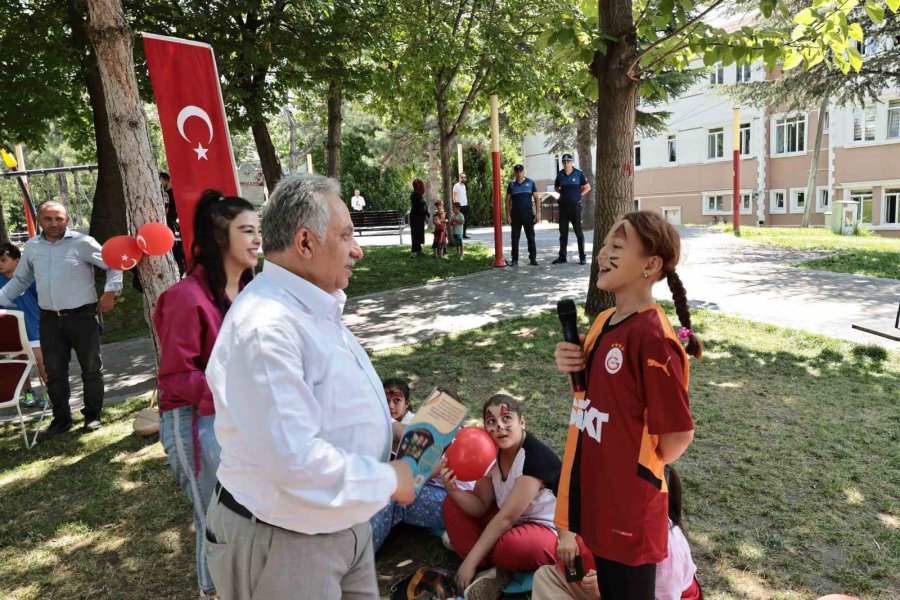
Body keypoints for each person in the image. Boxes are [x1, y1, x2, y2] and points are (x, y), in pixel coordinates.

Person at [204, 174, 415, 600]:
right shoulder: (266, 328)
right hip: (285, 541)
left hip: (339, 527)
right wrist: (389, 480)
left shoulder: (312, 306)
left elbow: (329, 404)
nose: (357, 250)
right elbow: (294, 461)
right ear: (304, 243)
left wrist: (389, 433)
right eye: (346, 235)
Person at [554, 210, 700, 599]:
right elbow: (597, 396)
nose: (602, 254)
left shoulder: (652, 337)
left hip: (630, 508)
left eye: (617, 246)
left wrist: (640, 466)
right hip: (599, 495)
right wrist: (571, 362)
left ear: (650, 265)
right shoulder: (604, 321)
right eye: (604, 245)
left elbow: (677, 436)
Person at [152, 191, 260, 599]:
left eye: (258, 231)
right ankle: (212, 591)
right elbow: (178, 379)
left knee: (243, 512)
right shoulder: (185, 298)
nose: (256, 240)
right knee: (216, 516)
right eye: (246, 231)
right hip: (195, 421)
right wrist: (234, 389)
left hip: (237, 417)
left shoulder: (250, 292)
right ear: (219, 238)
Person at [0, 201, 122, 436]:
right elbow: (21, 280)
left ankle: (93, 416)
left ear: (66, 220)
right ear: (40, 221)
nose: (54, 223)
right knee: (54, 371)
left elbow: (113, 263)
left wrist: (110, 292)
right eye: (48, 219)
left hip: (83, 316)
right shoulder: (32, 247)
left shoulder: (83, 242)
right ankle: (61, 419)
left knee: (92, 368)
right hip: (49, 320)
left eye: (59, 218)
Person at [442, 394, 563, 598]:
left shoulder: (535, 457)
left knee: (513, 547)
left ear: (522, 422)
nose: (499, 426)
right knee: (451, 504)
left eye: (507, 418)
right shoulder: (489, 451)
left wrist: (469, 562)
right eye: (491, 421)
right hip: (508, 522)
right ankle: (490, 567)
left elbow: (505, 519)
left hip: (545, 529)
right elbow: (480, 505)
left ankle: (487, 564)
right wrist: (453, 490)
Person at [532, 467, 701, 600]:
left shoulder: (668, 547)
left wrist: (604, 592)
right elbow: (571, 498)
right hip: (613, 588)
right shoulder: (615, 514)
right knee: (547, 577)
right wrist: (566, 536)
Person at [370, 379, 448, 553]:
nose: (390, 406)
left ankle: (361, 552)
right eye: (385, 400)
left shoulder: (413, 424)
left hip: (438, 491)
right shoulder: (377, 424)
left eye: (396, 400)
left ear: (407, 404)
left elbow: (430, 466)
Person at [0, 242, 46, 407]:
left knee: (42, 362)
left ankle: (50, 394)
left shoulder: (30, 279)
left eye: (3, 260)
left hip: (34, 330)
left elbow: (42, 302)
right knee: (20, 363)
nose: (0, 263)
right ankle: (28, 393)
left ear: (17, 261)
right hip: (13, 334)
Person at [553, 153, 591, 265]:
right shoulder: (560, 175)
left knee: (578, 232)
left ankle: (582, 257)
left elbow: (588, 187)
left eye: (568, 162)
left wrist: (578, 195)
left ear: (572, 162)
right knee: (563, 233)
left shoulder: (579, 174)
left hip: (575, 207)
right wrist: (565, 194)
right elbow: (556, 188)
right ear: (562, 163)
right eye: (564, 162)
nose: (566, 164)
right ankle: (562, 257)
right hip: (563, 207)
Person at [505, 164, 541, 267]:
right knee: (515, 238)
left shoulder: (530, 183)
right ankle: (514, 259)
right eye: (517, 172)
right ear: (515, 173)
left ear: (524, 172)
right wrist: (508, 215)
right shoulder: (511, 184)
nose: (519, 173)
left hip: (528, 215)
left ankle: (533, 259)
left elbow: (536, 198)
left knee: (531, 237)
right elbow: (507, 200)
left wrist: (538, 213)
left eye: (520, 171)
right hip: (515, 216)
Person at [160, 172, 187, 276]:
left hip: (173, 225)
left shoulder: (171, 193)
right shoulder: (166, 193)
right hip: (171, 224)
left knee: (177, 250)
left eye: (161, 180)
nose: (160, 184)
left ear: (166, 180)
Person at [409, 179, 429, 257]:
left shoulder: (416, 193)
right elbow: (420, 207)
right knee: (416, 234)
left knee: (418, 233)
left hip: (417, 217)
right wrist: (425, 215)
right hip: (416, 217)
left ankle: (418, 250)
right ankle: (414, 251)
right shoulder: (416, 194)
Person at [452, 172, 471, 238]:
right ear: (459, 178)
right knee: (458, 220)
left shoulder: (464, 186)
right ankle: (457, 234)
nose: (463, 178)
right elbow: (454, 196)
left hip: (465, 205)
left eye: (464, 177)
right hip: (459, 206)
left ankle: (464, 234)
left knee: (465, 220)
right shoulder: (456, 186)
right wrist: (455, 205)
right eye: (462, 177)